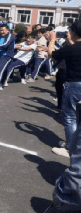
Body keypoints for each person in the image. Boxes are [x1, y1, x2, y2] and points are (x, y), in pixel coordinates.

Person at [47, 20, 81, 158]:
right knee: (78, 118)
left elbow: (51, 54)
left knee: (70, 117)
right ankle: (75, 144)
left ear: (72, 32)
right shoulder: (73, 48)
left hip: (74, 85)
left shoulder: (71, 48)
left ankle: (70, 148)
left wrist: (52, 40)